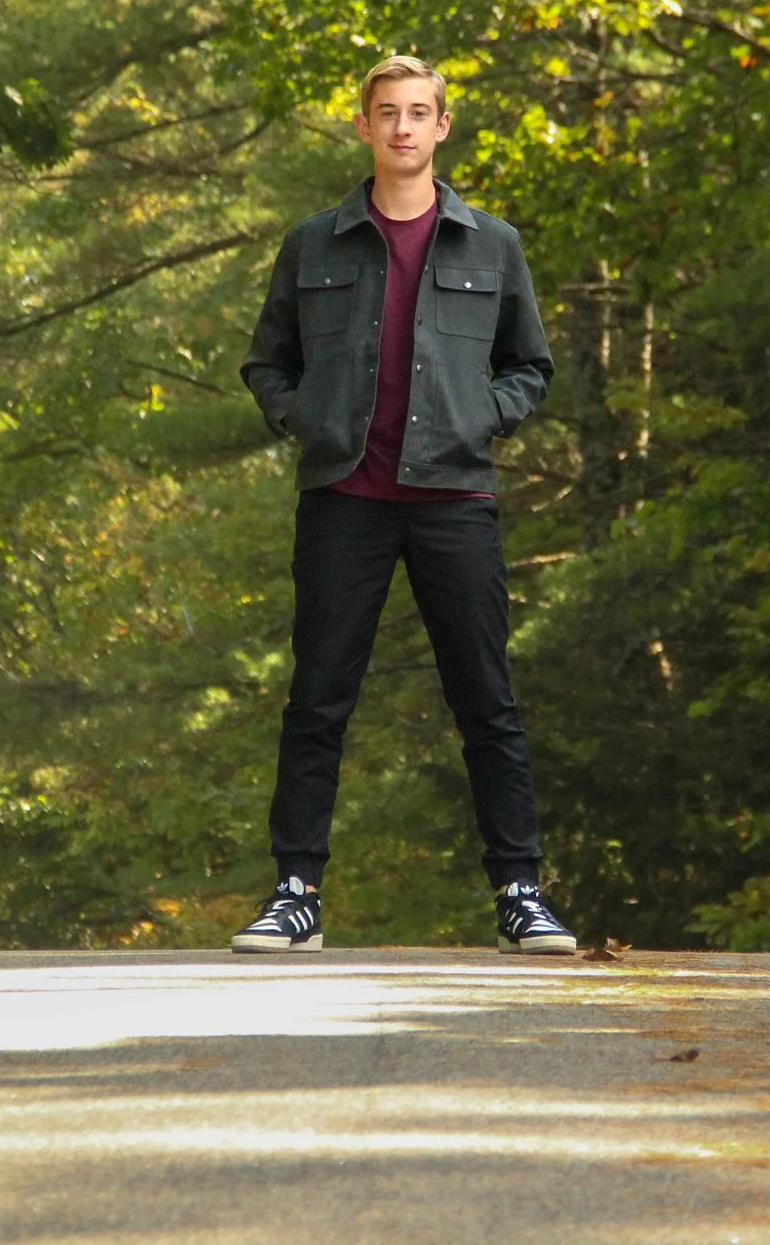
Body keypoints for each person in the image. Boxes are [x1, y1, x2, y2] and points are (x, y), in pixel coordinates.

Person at [232, 54, 577, 956]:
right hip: (343, 495)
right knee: (317, 698)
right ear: (363, 126)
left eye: (418, 112)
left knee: (486, 699)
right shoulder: (314, 243)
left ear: (442, 126)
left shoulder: (490, 243)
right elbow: (267, 360)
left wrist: (480, 421)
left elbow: (529, 364)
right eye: (386, 113)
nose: (402, 128)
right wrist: (301, 416)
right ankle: (296, 891)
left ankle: (520, 892)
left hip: (453, 495)